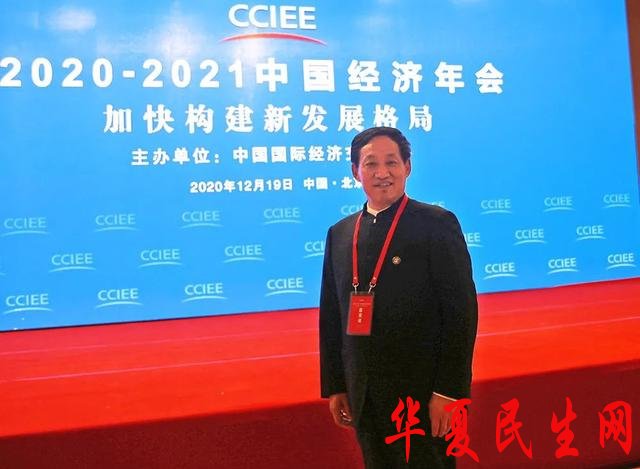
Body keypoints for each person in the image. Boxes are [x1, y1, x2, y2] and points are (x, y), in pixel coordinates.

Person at [319, 127, 478, 468]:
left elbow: (460, 313)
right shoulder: (341, 233)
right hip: (364, 393)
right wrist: (337, 385)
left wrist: (449, 391)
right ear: (355, 171)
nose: (382, 173)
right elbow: (331, 315)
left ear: (407, 166)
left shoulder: (436, 224)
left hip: (421, 393)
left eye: (391, 162)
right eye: (371, 163)